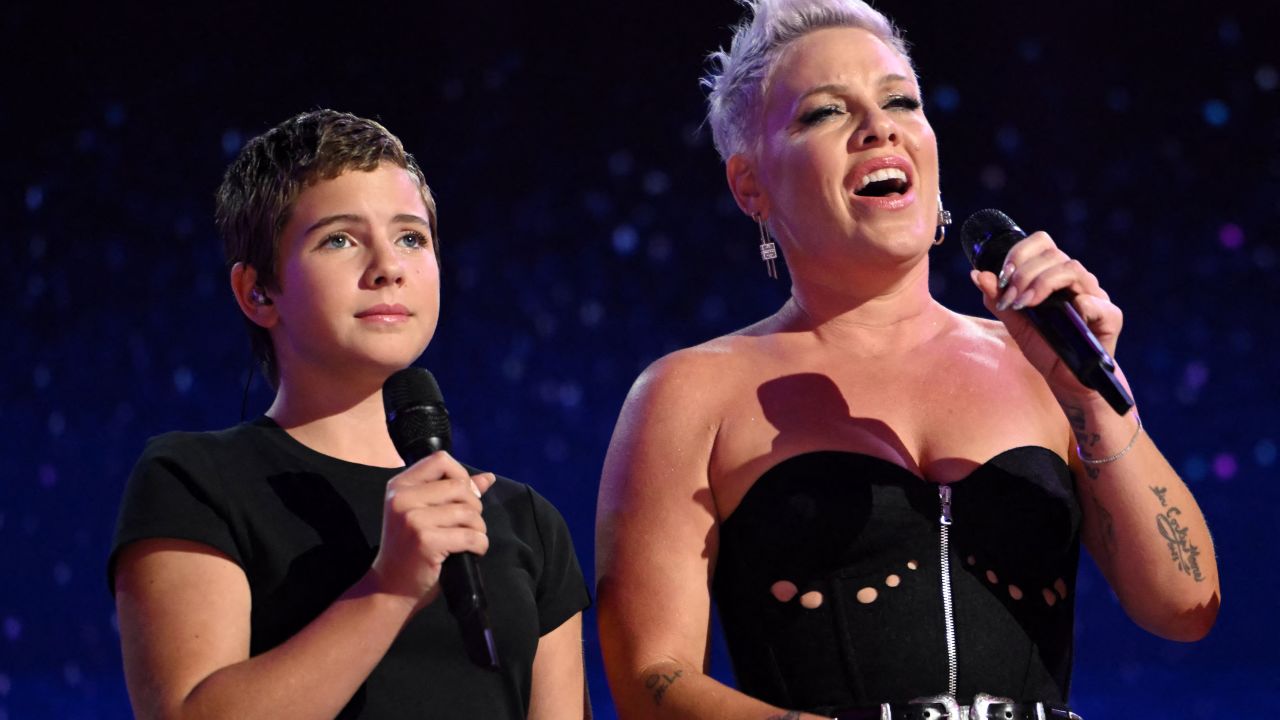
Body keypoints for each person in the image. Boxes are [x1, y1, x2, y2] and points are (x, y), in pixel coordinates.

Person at [594, 2, 1219, 718]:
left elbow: (1184, 605)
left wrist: (1090, 398)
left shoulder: (1038, 362)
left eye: (900, 101)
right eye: (824, 114)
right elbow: (652, 678)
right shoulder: (690, 393)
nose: (879, 126)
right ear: (750, 186)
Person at [109, 109, 590, 719]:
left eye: (411, 238)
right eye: (340, 238)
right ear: (258, 291)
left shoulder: (524, 522)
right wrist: (388, 587)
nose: (388, 266)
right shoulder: (195, 481)